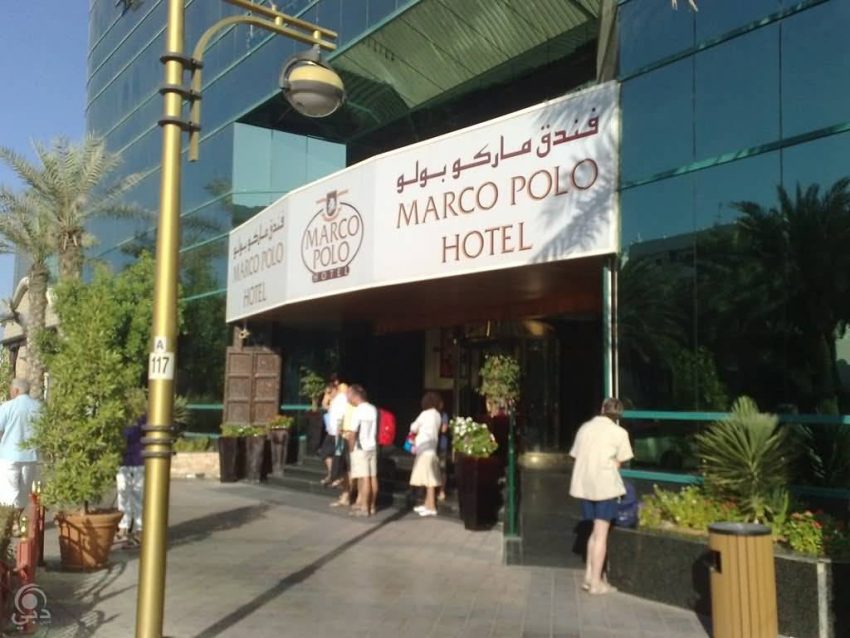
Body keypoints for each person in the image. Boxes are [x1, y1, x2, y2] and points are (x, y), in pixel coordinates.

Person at [568, 397, 634, 595]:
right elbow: (622, 460)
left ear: (602, 409)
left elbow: (575, 455)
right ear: (618, 414)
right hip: (605, 487)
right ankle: (596, 583)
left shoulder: (585, 428)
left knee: (593, 532)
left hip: (585, 486)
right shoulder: (620, 433)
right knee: (601, 535)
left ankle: (589, 576)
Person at [0, 378, 40, 513]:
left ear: (16, 390)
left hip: (8, 455)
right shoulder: (39, 407)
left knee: (8, 493)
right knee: (23, 493)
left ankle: (11, 520)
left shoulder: (7, 406)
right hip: (30, 455)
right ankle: (18, 517)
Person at [346, 384, 378, 517]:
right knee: (373, 477)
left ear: (355, 396)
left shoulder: (358, 410)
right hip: (372, 446)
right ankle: (372, 506)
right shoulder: (372, 408)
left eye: (348, 395)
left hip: (361, 447)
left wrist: (351, 449)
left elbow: (353, 433)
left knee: (364, 478)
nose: (347, 398)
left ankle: (364, 508)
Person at [409, 392, 442, 517]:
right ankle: (427, 504)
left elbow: (413, 427)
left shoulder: (425, 414)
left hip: (424, 450)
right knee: (429, 478)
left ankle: (431, 506)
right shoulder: (438, 415)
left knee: (429, 481)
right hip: (432, 449)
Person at [116, 411, 145, 547]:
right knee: (123, 496)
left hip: (139, 462)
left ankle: (139, 530)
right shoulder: (118, 416)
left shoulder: (142, 418)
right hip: (123, 462)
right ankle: (123, 528)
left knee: (139, 497)